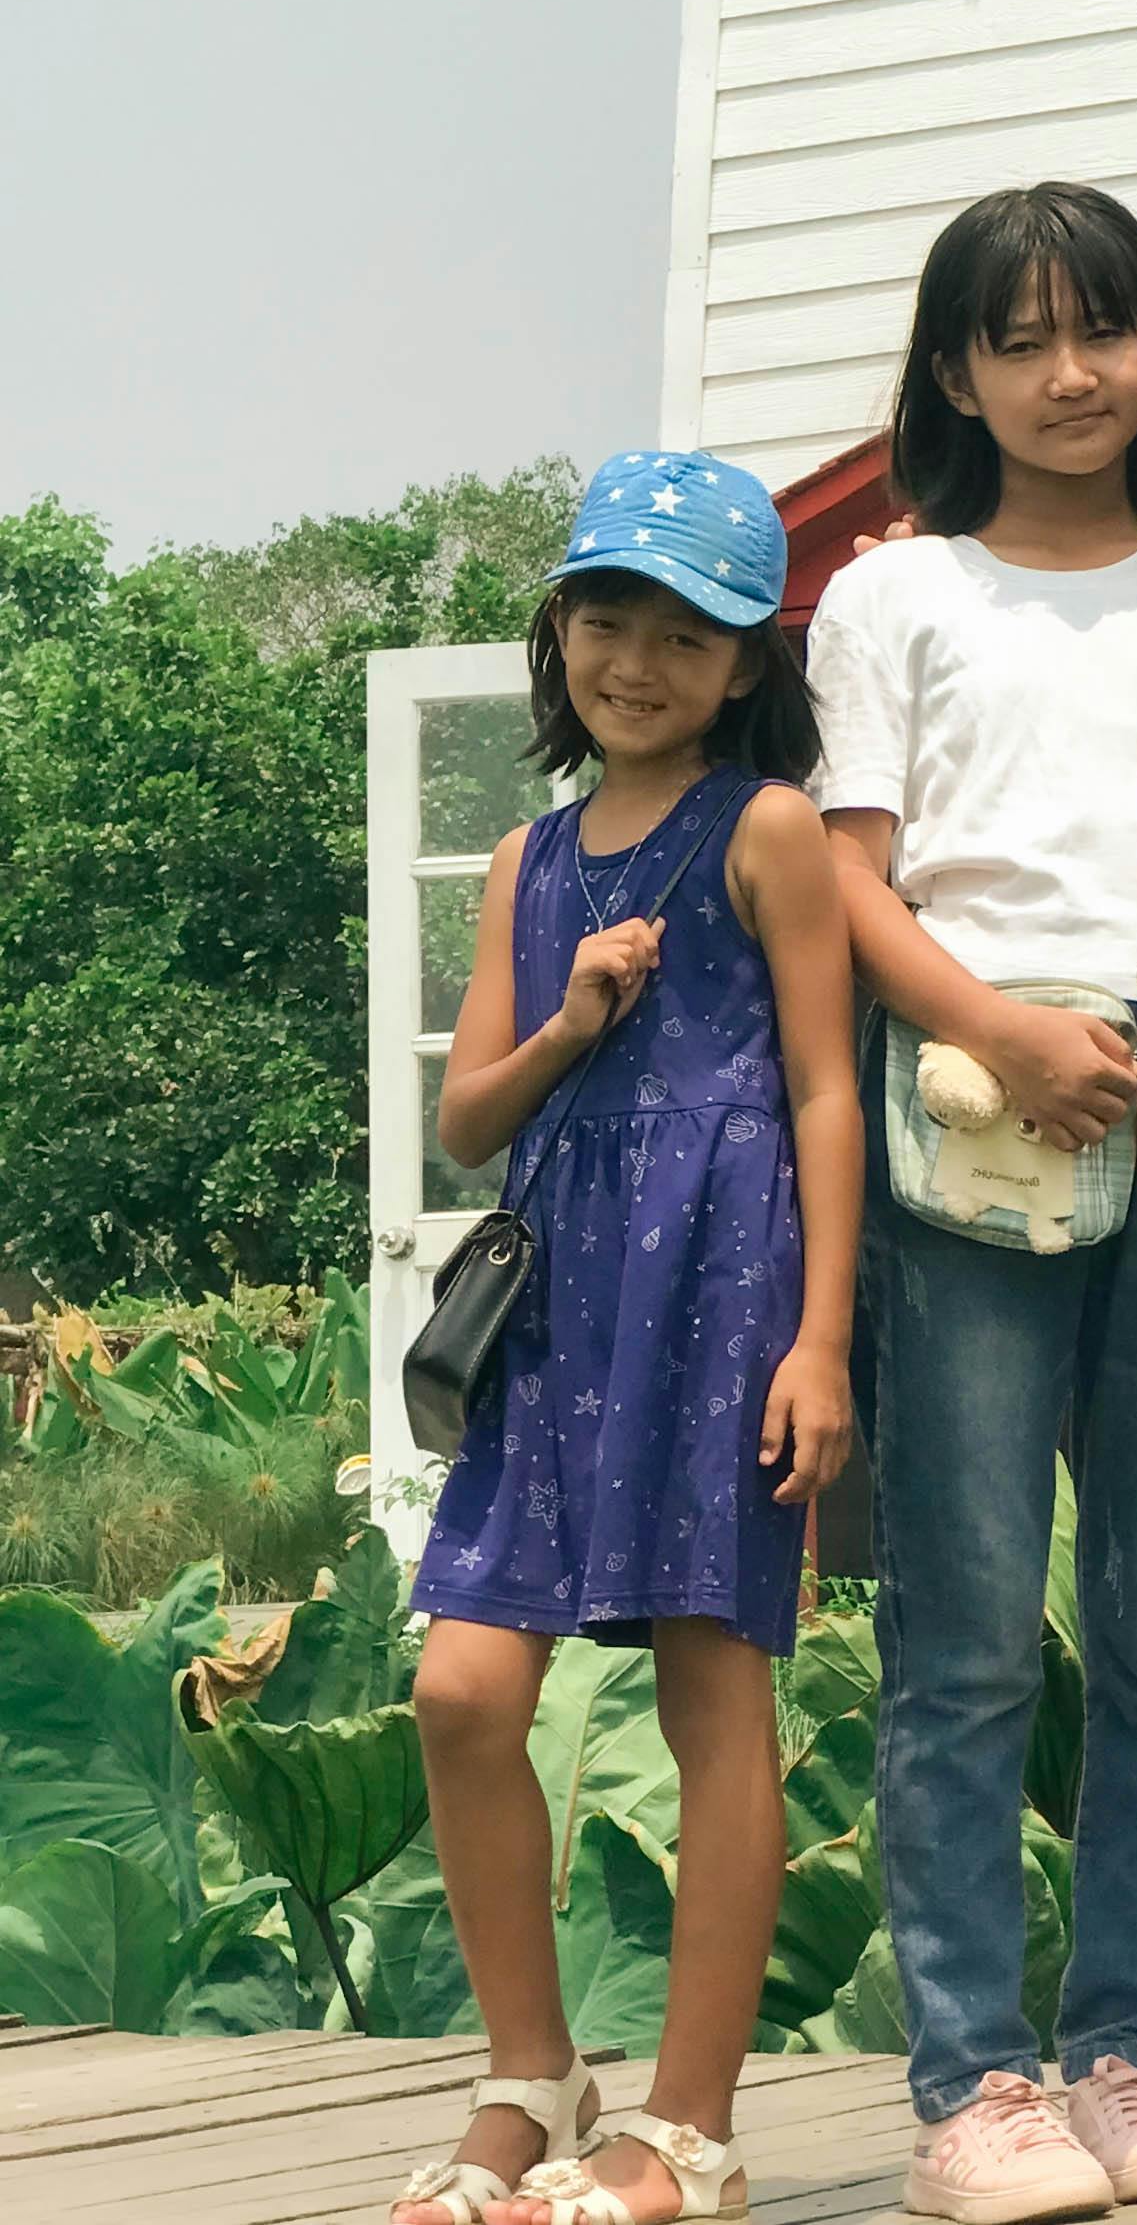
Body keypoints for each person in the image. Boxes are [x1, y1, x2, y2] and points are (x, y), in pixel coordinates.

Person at [809, 188, 1137, 2225]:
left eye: (1100, 329)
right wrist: (1002, 1032)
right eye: (1018, 339)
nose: (1066, 373)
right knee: (958, 1624)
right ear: (956, 373)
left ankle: (1128, 2051)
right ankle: (970, 2082)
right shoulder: (888, 593)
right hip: (966, 1078)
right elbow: (854, 879)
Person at [394, 452, 859, 2225]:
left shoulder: (764, 825)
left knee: (708, 1689)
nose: (637, 657)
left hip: (720, 1291)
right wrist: (579, 1013)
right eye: (605, 615)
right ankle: (531, 2069)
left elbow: (824, 1084)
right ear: (558, 631)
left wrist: (818, 1337)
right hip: (556, 1300)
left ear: (745, 661)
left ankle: (688, 2121)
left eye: (686, 630)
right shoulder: (524, 856)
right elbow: (467, 1118)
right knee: (458, 1689)